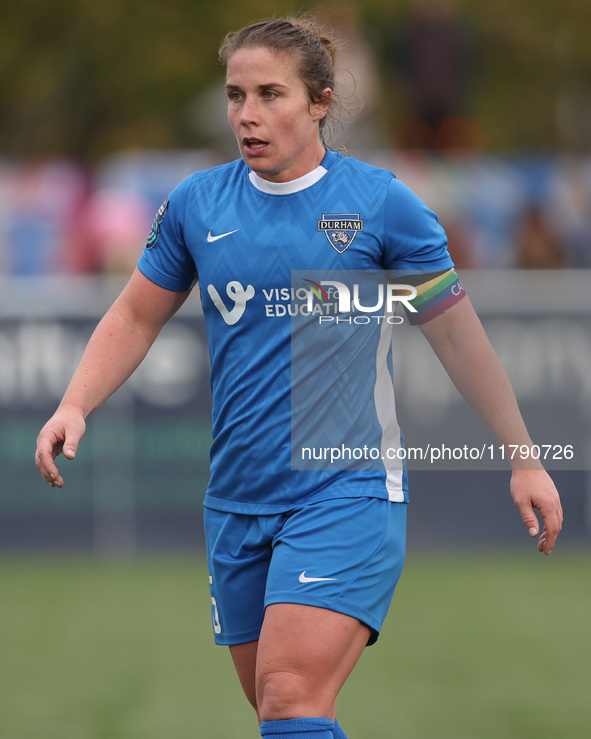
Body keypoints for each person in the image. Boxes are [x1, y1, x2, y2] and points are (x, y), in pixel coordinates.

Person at [35, 15, 563, 739]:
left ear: (320, 102)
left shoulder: (381, 205)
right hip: (235, 500)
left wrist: (523, 455)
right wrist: (75, 402)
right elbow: (133, 316)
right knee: (280, 711)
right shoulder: (198, 204)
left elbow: (457, 339)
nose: (246, 115)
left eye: (269, 94)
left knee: (288, 695)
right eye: (234, 95)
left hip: (344, 489)